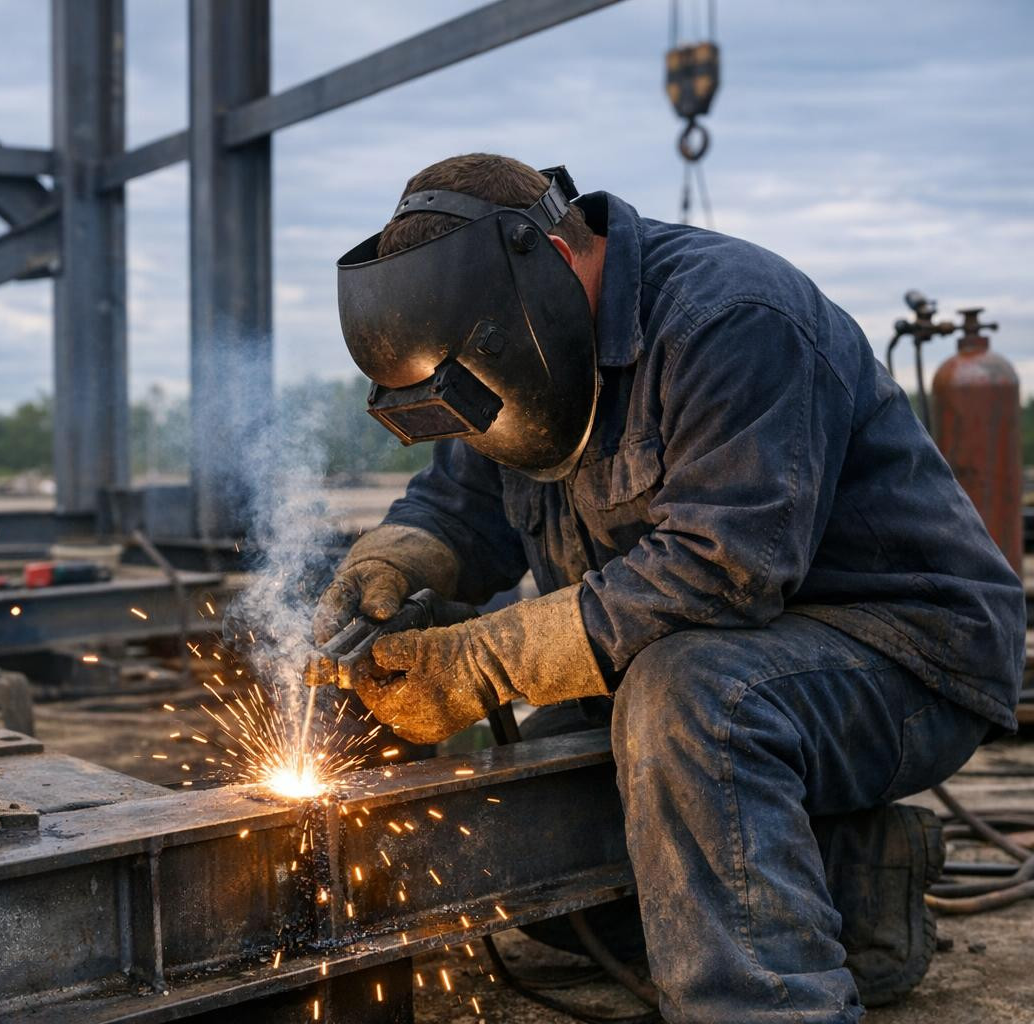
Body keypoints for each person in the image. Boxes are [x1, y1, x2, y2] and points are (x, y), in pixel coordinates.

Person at [315, 154, 1023, 1023]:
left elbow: (723, 573)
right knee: (535, 798)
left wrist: (484, 663)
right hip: (706, 657)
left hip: (904, 653)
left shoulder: (730, 318)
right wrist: (391, 564)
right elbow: (459, 506)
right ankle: (858, 879)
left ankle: (765, 1007)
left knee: (687, 702)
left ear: (552, 261)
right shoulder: (512, 358)